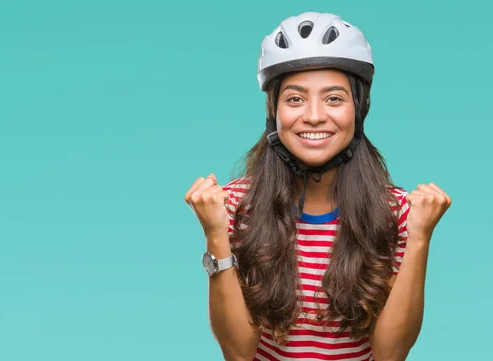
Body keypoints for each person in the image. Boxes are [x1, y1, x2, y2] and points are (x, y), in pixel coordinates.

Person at [184, 12, 451, 361]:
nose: (313, 115)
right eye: (295, 99)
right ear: (273, 112)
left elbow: (390, 354)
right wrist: (216, 235)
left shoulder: (398, 213)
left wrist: (419, 238)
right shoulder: (233, 205)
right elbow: (238, 354)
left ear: (360, 109)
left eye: (334, 99)